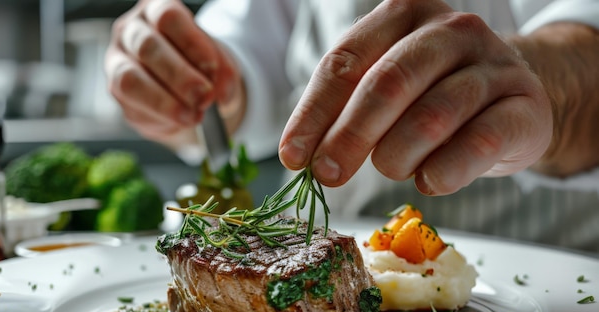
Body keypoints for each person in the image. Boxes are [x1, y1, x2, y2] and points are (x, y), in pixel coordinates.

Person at [104, 0, 599, 252]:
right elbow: (255, 52)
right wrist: (192, 81)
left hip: (559, 305)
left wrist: (550, 84)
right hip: (306, 290)